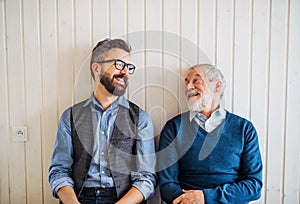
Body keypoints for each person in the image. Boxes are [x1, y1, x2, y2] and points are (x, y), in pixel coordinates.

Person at [49, 38, 157, 204]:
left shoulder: (140, 119)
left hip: (123, 199)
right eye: (119, 64)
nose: (125, 72)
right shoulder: (70, 117)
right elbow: (59, 170)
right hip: (79, 198)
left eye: (129, 67)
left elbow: (146, 178)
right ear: (96, 68)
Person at [157, 64, 263, 204]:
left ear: (217, 86)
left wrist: (205, 197)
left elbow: (253, 186)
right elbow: (167, 186)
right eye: (187, 82)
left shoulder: (244, 129)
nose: (189, 87)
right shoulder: (173, 128)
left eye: (196, 80)